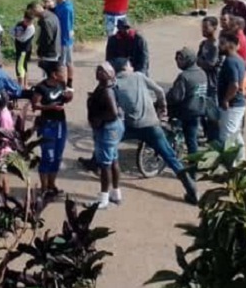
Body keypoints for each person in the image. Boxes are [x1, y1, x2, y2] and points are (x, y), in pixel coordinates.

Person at [113, 58, 199, 204]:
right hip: (151, 125)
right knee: (170, 157)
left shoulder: (115, 84)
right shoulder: (139, 76)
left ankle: (96, 162)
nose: (132, 67)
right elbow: (159, 90)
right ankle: (191, 188)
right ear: (126, 67)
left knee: (109, 141)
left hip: (131, 125)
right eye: (130, 65)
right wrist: (162, 106)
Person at [30, 65, 72, 199]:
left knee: (57, 157)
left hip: (61, 124)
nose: (65, 75)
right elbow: (34, 105)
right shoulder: (41, 87)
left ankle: (52, 185)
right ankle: (43, 188)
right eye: (62, 72)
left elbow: (65, 99)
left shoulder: (61, 84)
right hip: (47, 125)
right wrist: (50, 107)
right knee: (47, 157)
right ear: (54, 74)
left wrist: (68, 97)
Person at [87, 62, 124, 210]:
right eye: (97, 69)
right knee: (113, 160)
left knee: (105, 165)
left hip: (107, 129)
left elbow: (113, 113)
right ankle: (116, 193)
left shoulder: (106, 90)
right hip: (113, 129)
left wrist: (99, 120)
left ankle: (104, 198)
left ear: (110, 74)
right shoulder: (107, 86)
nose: (98, 72)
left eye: (102, 71)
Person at [169, 47, 208, 156]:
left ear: (189, 60)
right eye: (177, 59)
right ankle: (193, 164)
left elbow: (176, 97)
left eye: (181, 59)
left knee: (180, 133)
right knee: (191, 140)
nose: (178, 61)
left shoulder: (184, 76)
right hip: (198, 111)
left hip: (185, 111)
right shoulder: (202, 73)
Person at [215, 32, 246, 163]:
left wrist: (226, 99)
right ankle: (241, 160)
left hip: (232, 105)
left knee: (226, 136)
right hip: (239, 104)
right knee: (235, 134)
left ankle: (231, 166)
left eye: (222, 43)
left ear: (231, 44)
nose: (219, 46)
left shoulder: (230, 61)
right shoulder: (239, 59)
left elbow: (234, 85)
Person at [196, 15, 222, 142]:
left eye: (206, 28)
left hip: (211, 83)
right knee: (201, 109)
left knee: (211, 112)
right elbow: (199, 60)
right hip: (202, 80)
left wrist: (200, 61)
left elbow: (210, 64)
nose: (203, 30)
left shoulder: (215, 46)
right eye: (202, 27)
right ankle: (207, 133)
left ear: (214, 28)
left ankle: (214, 138)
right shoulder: (203, 43)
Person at [53, 0, 76, 87]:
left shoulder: (66, 8)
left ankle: (66, 83)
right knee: (64, 62)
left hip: (64, 40)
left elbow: (67, 27)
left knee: (63, 63)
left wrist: (65, 41)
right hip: (60, 38)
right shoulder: (59, 5)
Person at [0, 89, 15, 196]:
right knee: (5, 177)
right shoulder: (5, 112)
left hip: (2, 152)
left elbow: (4, 136)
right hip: (7, 150)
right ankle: (6, 197)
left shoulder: (2, 116)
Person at [33, 0, 61, 79]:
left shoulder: (46, 21)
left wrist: (41, 51)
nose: (34, 16)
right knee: (52, 73)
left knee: (49, 75)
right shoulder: (52, 16)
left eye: (34, 14)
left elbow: (47, 39)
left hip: (49, 52)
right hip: (55, 49)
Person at [11, 9, 36, 89]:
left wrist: (16, 35)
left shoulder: (31, 28)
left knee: (20, 67)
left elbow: (23, 39)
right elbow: (12, 30)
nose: (29, 23)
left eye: (31, 21)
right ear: (24, 18)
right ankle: (25, 85)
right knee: (23, 66)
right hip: (19, 48)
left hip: (24, 49)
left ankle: (20, 85)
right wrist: (15, 34)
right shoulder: (20, 23)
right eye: (27, 21)